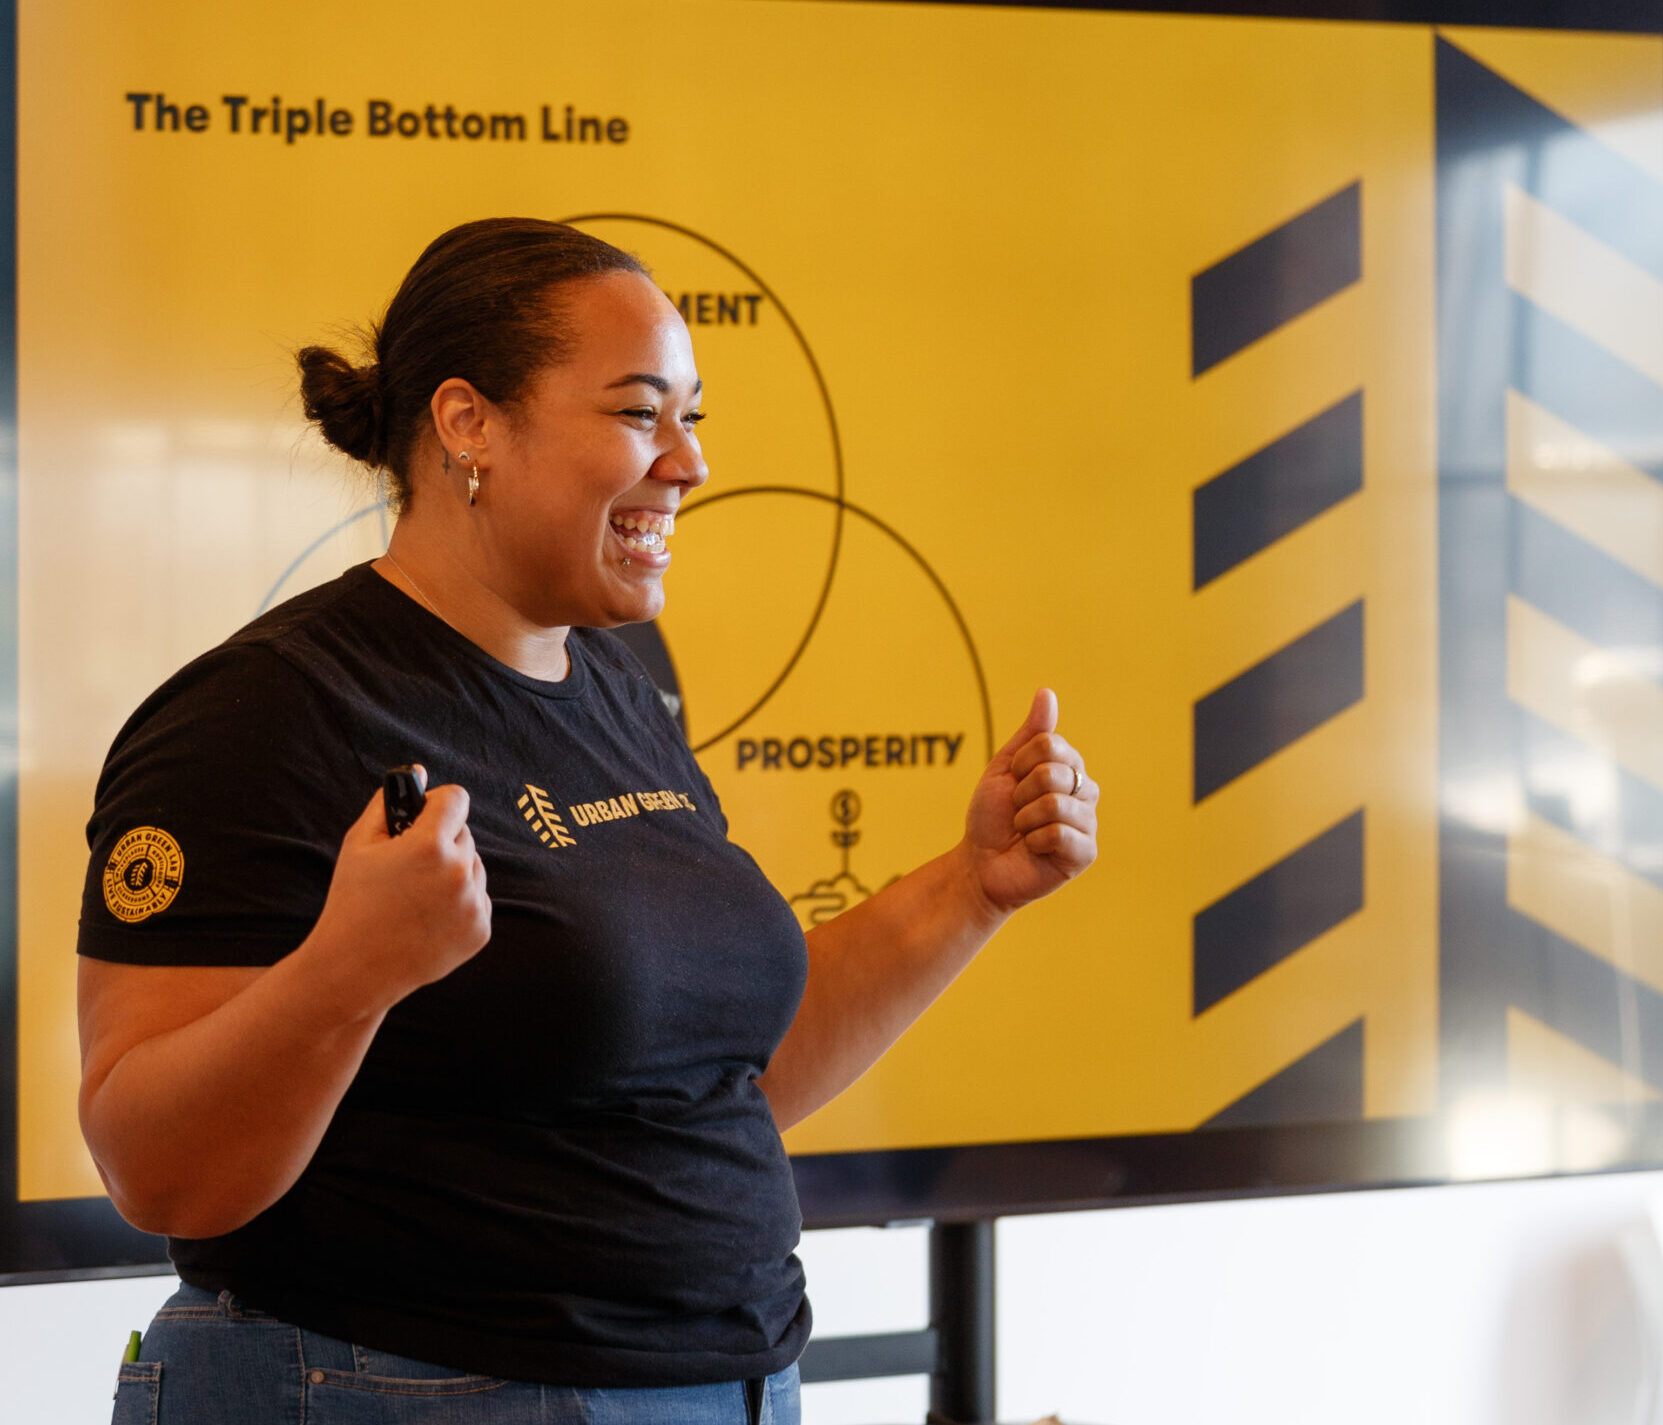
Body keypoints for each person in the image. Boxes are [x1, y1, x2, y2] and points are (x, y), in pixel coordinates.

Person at [77, 217, 1099, 1425]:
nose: (687, 462)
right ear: (469, 426)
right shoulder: (267, 712)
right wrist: (349, 973)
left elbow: (723, 1079)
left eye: (693, 418)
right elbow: (157, 1169)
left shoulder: (618, 687)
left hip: (730, 1386)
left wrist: (973, 885)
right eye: (637, 413)